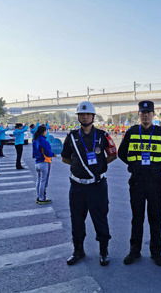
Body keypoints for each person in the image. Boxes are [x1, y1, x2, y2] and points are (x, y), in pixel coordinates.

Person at [61, 101, 117, 266]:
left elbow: (113, 155)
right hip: (77, 186)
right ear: (78, 117)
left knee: (100, 219)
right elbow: (65, 158)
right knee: (77, 220)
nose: (85, 117)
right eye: (82, 114)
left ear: (93, 116)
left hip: (97, 185)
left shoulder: (102, 136)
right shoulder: (71, 136)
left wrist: (98, 168)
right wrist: (79, 168)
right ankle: (78, 251)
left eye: (88, 114)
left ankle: (103, 251)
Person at [118, 100, 161, 266]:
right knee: (137, 218)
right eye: (143, 113)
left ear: (153, 114)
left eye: (148, 113)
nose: (146, 115)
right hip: (137, 181)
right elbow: (121, 153)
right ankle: (135, 251)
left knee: (155, 218)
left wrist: (156, 165)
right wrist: (133, 164)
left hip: (155, 181)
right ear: (139, 114)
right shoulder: (132, 132)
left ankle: (156, 253)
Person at [33, 125, 56, 204]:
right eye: (46, 131)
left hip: (37, 162)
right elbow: (48, 152)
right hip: (44, 162)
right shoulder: (44, 141)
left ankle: (38, 196)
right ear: (43, 132)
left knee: (38, 180)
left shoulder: (35, 140)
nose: (46, 132)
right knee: (43, 181)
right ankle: (42, 198)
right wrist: (53, 154)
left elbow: (33, 153)